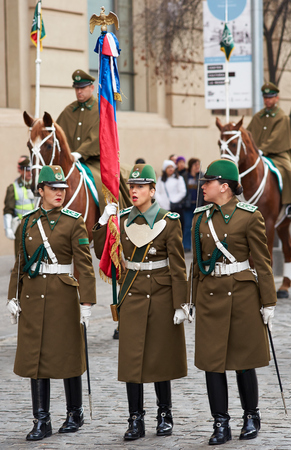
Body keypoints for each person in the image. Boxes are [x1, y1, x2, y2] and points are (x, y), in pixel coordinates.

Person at [93, 164, 188, 440]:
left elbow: (178, 266)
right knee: (131, 359)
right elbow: (102, 251)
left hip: (161, 293)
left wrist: (181, 303)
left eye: (141, 187)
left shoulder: (168, 220)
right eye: (132, 187)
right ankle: (135, 418)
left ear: (152, 190)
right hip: (132, 294)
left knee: (161, 357)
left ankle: (164, 414)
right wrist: (103, 222)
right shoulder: (121, 219)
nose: (134, 191)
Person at [7, 165, 96, 441]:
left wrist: (87, 303)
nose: (59, 193)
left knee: (68, 354)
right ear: (41, 190)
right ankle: (41, 419)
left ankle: (74, 412)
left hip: (62, 295)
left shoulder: (73, 221)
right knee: (36, 357)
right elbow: (19, 264)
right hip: (33, 298)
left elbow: (85, 264)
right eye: (54, 189)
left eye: (62, 189)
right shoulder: (27, 223)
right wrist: (13, 296)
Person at [191, 159, 277, 445]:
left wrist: (269, 302)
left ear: (224, 187)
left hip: (241, 296)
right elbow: (197, 264)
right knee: (212, 362)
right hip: (210, 296)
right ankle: (220, 422)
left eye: (209, 182)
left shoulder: (249, 216)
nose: (203, 186)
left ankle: (251, 415)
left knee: (243, 360)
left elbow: (262, 262)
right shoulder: (200, 217)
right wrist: (191, 301)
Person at [56, 69, 131, 211]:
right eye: (77, 88)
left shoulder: (101, 109)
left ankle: (114, 219)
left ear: (91, 87)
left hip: (95, 162)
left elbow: (101, 135)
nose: (79, 91)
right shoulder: (68, 111)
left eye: (82, 88)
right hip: (69, 164)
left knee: (105, 189)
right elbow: (57, 136)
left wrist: (79, 153)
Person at [247, 81, 291, 218]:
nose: (267, 100)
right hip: (257, 155)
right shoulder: (257, 117)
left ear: (277, 98)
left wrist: (261, 150)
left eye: (270, 97)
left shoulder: (282, 117)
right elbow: (248, 134)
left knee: (289, 171)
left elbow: (276, 139)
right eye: (265, 97)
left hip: (278, 154)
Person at [3, 155, 35, 258]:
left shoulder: (39, 186)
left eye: (31, 170)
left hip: (37, 224)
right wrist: (7, 228)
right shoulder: (13, 187)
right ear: (21, 171)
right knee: (21, 255)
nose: (30, 173)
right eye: (27, 170)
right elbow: (8, 209)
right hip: (22, 225)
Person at [182, 158, 203, 252]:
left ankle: (198, 246)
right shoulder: (185, 176)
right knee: (187, 226)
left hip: (198, 205)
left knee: (198, 227)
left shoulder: (201, 176)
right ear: (191, 166)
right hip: (188, 206)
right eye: (195, 165)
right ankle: (186, 246)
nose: (197, 167)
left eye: (198, 165)